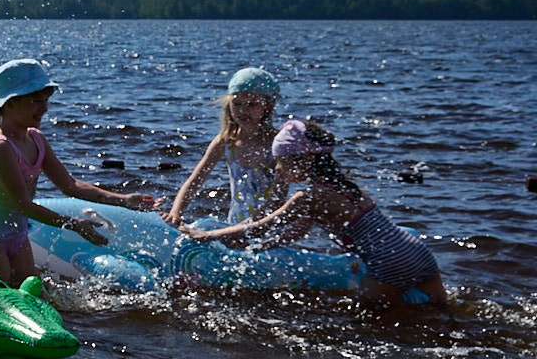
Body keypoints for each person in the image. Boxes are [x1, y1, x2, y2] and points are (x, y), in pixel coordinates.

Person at [184, 119, 447, 305]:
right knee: (442, 316)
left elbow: (262, 224)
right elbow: (300, 229)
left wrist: (206, 235)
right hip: (417, 252)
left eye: (281, 162)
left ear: (306, 160)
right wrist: (266, 247)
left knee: (374, 323)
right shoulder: (342, 185)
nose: (276, 169)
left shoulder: (308, 196)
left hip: (389, 264)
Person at [0, 58, 159, 286]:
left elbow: (70, 185)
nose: (44, 108)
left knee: (36, 297)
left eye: (46, 100)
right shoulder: (1, 147)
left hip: (18, 239)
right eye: (36, 101)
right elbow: (23, 205)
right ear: (9, 103)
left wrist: (123, 200)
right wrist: (74, 225)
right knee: (1, 303)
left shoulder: (36, 139)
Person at [165, 66, 284, 227]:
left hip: (269, 226)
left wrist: (254, 224)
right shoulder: (226, 140)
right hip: (235, 223)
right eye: (237, 103)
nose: (243, 110)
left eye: (252, 104)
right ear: (229, 104)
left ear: (267, 106)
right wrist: (176, 212)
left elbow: (279, 197)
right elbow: (195, 180)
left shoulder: (278, 144)